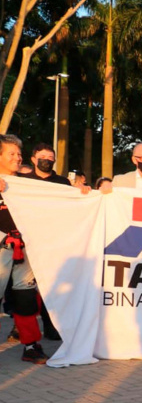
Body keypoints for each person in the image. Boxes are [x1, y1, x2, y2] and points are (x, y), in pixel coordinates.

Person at [0, 134, 51, 364]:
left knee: (26, 298)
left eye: (19, 154)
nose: (18, 158)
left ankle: (30, 346)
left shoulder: (26, 184)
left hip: (25, 249)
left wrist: (84, 191)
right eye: (11, 153)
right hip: (2, 249)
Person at [20, 144, 69, 341]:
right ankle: (21, 328)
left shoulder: (63, 182)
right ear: (33, 159)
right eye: (42, 156)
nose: (47, 159)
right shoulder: (22, 182)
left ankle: (52, 326)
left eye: (50, 156)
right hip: (26, 241)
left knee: (52, 286)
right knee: (25, 288)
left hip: (54, 240)